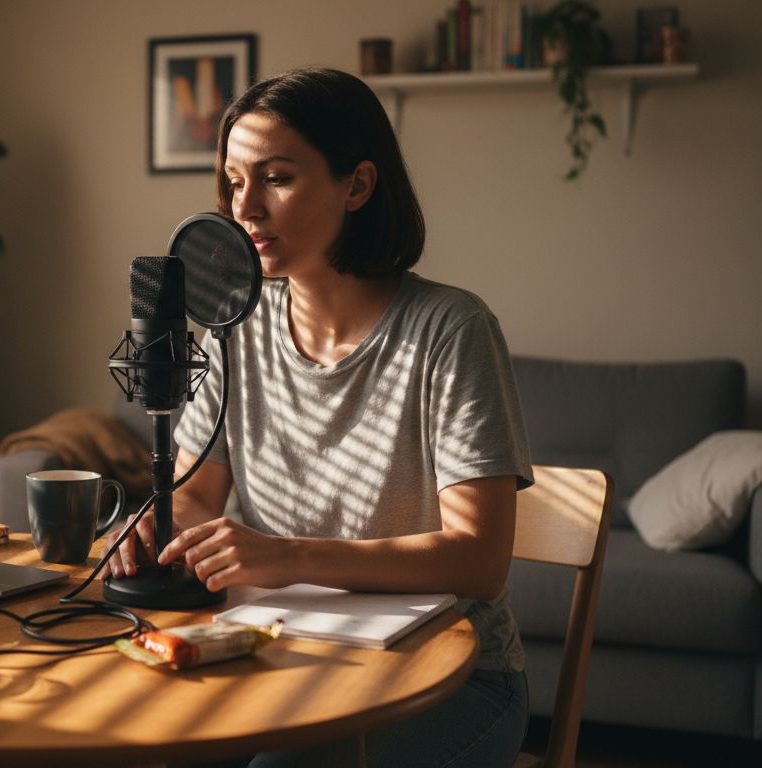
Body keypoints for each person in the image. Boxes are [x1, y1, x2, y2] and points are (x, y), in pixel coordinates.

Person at [105, 67, 534, 767]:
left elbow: (481, 562)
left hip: (451, 682)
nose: (247, 210)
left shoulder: (451, 330)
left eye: (275, 178)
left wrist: (291, 556)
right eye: (234, 183)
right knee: (134, 735)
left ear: (357, 186)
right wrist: (157, 524)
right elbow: (195, 495)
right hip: (286, 655)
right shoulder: (235, 330)